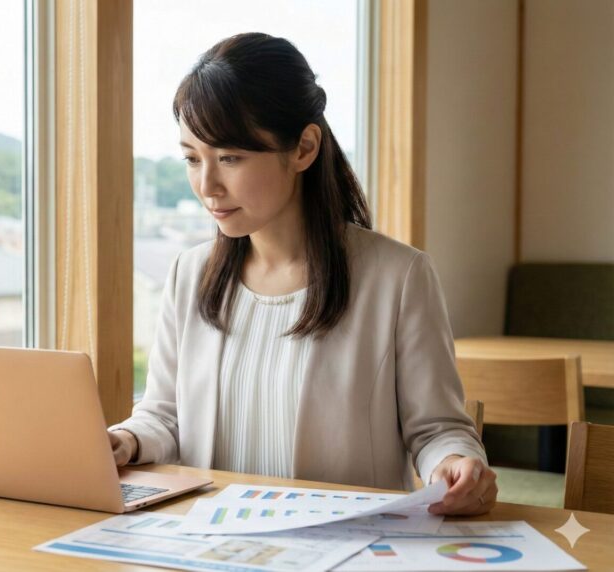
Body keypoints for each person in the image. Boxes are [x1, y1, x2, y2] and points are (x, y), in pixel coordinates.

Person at [108, 33, 497, 516]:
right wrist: (125, 440)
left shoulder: (398, 277)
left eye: (230, 157)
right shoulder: (190, 274)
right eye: (192, 158)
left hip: (345, 546)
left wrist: (456, 462)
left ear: (304, 148)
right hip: (212, 544)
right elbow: (164, 417)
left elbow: (437, 429)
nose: (207, 186)